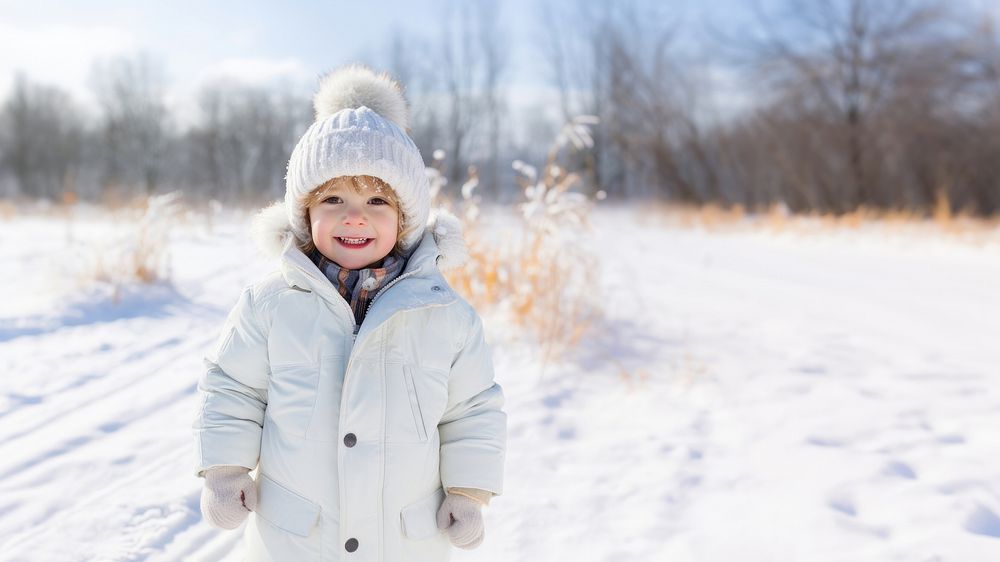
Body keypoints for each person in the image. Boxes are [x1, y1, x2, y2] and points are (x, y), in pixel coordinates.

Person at [191, 64, 507, 561]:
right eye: (333, 198)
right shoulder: (271, 303)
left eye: (377, 199)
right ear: (305, 214)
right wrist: (225, 469)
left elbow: (472, 409)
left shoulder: (444, 314)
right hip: (297, 540)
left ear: (405, 217)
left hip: (403, 543)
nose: (354, 215)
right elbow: (232, 387)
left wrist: (469, 491)